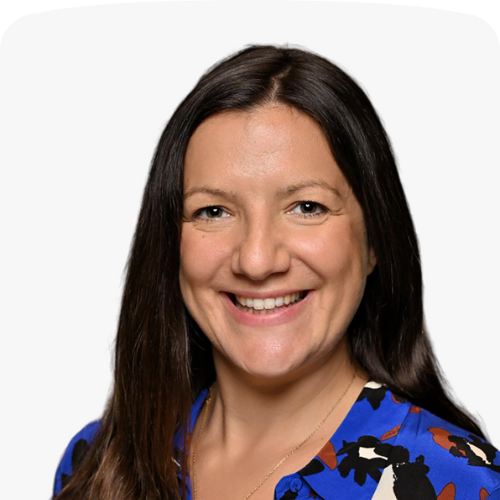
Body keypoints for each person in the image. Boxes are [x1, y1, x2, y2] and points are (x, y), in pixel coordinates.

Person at [52, 44, 500, 500]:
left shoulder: (461, 483)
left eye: (306, 207)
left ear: (374, 242)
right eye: (213, 211)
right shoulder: (96, 463)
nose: (257, 260)